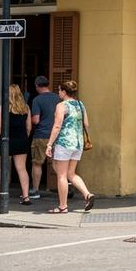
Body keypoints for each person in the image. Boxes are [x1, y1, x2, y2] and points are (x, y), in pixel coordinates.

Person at [44, 81, 95, 214]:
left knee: (61, 175)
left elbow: (57, 126)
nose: (58, 93)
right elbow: (86, 124)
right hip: (78, 143)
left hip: (64, 142)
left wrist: (49, 144)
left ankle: (63, 206)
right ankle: (88, 195)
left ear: (64, 92)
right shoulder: (80, 104)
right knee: (70, 173)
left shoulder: (61, 106)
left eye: (60, 90)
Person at [0, 84, 32, 205]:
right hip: (21, 140)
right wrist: (24, 138)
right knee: (22, 169)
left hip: (5, 140)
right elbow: (28, 127)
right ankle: (26, 197)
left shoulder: (4, 107)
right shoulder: (26, 108)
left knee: (2, 169)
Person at [28, 76, 59, 200]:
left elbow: (36, 120)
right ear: (48, 84)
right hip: (56, 135)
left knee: (37, 163)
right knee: (57, 164)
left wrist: (27, 118)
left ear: (37, 86)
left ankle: (35, 190)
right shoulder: (58, 98)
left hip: (41, 135)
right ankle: (66, 187)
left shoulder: (37, 100)